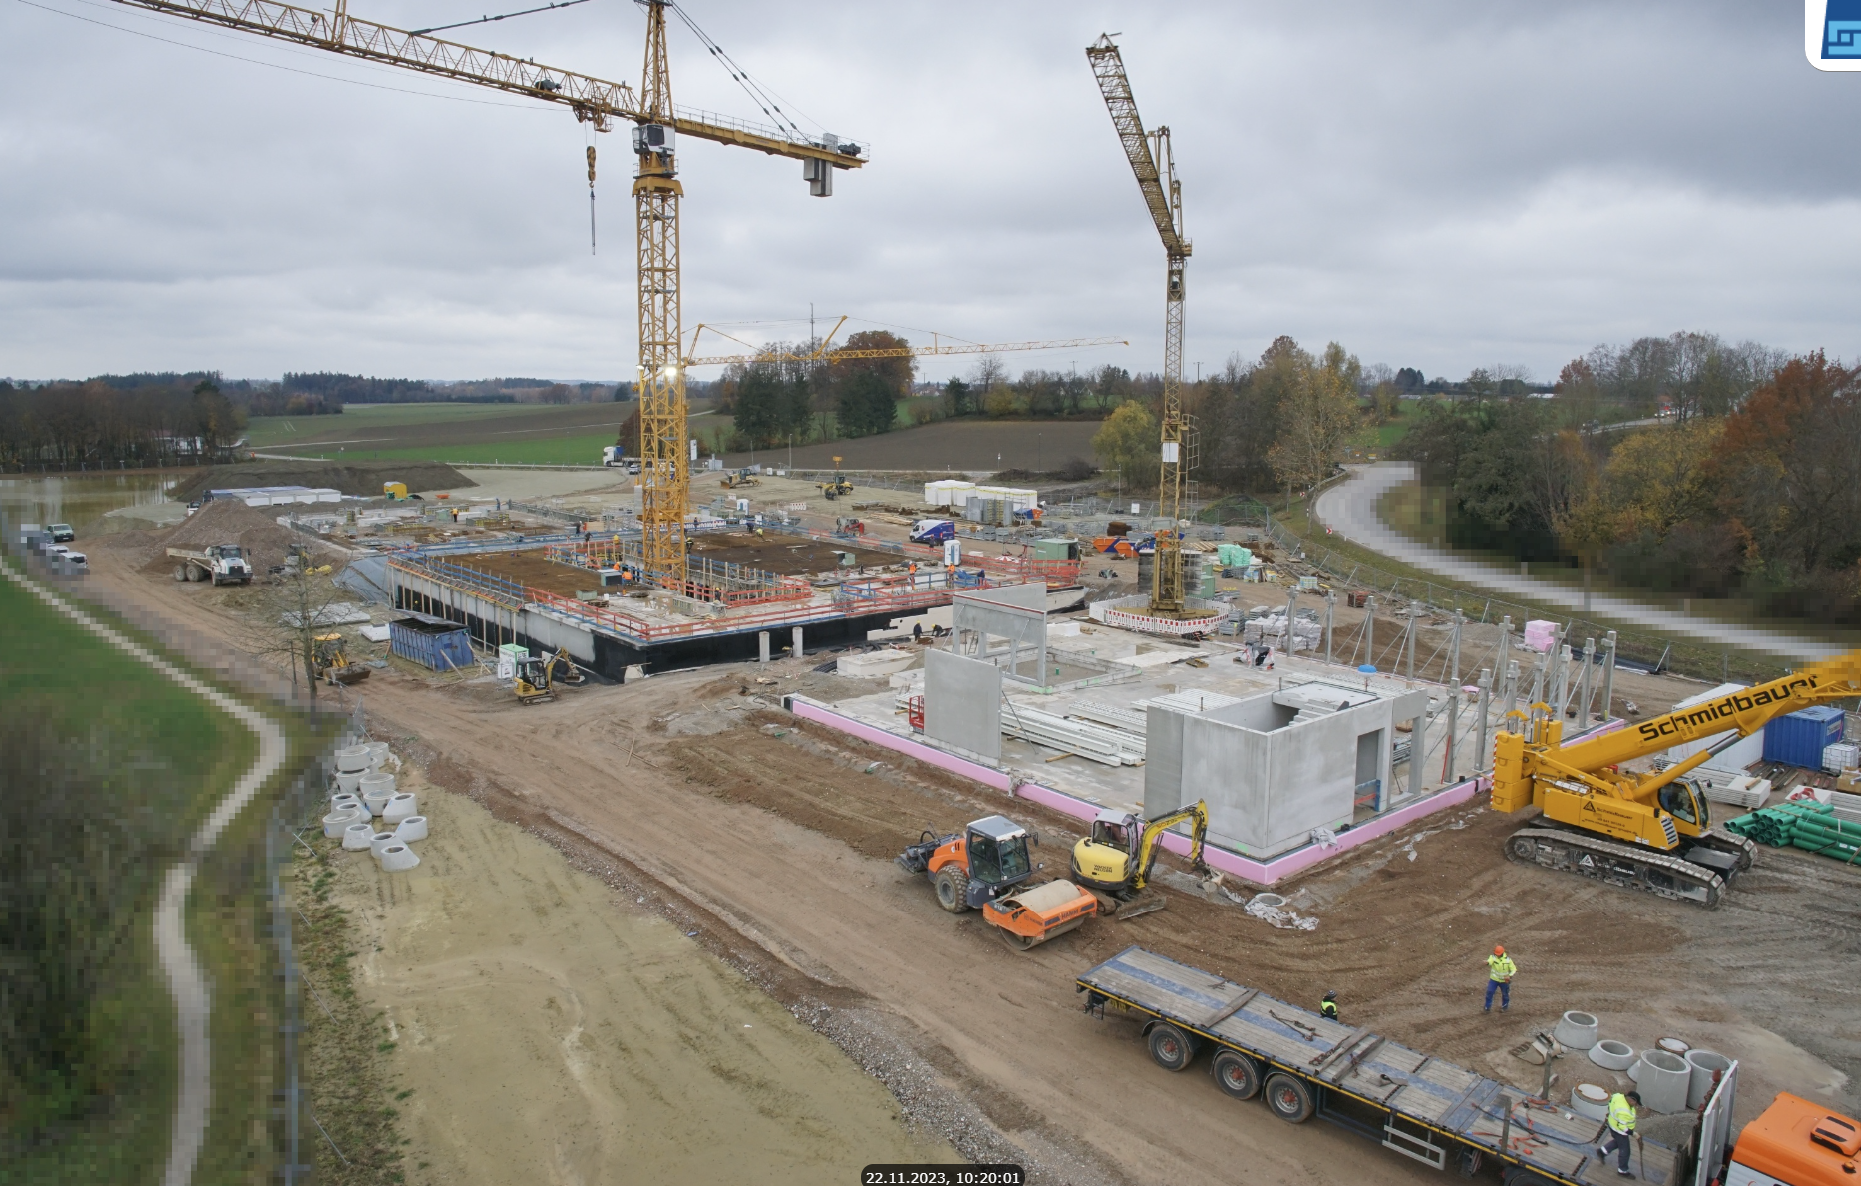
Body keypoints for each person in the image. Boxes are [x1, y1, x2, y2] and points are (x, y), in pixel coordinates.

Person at [1599, 1090, 1640, 1177]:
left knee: (1618, 1142)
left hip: (1612, 1124)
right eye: (1635, 1103)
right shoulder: (1624, 1112)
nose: (1635, 1105)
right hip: (1619, 1131)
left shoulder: (1618, 1096)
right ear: (1631, 1100)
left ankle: (1602, 1151)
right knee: (1625, 1151)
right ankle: (1622, 1170)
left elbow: (1611, 1101)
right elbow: (1622, 1127)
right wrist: (1633, 1133)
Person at [1484, 945, 1517, 1012]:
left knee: (1505, 994)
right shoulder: (1493, 957)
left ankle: (1505, 1006)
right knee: (1489, 992)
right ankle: (1487, 1007)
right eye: (1496, 954)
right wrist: (1487, 962)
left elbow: (1513, 969)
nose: (1497, 955)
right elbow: (1490, 961)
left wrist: (1509, 976)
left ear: (1502, 953)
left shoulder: (1508, 960)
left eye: (1498, 954)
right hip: (1494, 980)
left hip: (1504, 981)